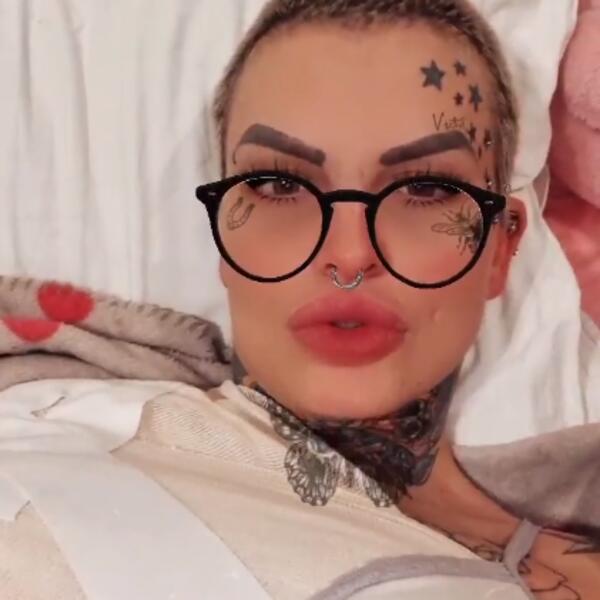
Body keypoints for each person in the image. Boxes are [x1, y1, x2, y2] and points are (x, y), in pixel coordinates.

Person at [191, 0, 600, 597]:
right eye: (278, 184)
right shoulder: (75, 438)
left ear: (500, 249)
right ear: (223, 240)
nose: (351, 255)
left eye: (426, 189)